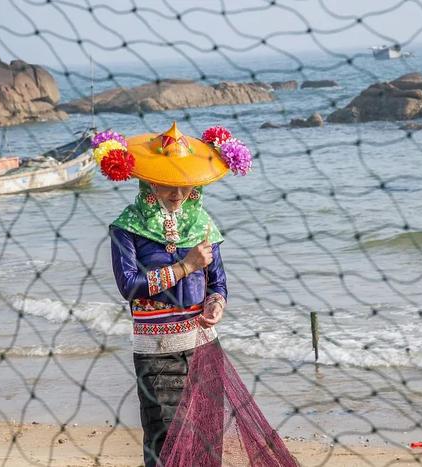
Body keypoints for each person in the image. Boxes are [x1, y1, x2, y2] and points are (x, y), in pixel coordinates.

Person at [99, 122, 293, 467]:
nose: (177, 194)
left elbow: (218, 283)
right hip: (157, 351)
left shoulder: (203, 225)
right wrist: (186, 267)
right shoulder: (125, 228)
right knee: (165, 442)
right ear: (149, 182)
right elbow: (129, 286)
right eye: (168, 185)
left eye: (185, 185)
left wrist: (216, 306)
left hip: (203, 346)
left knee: (205, 440)